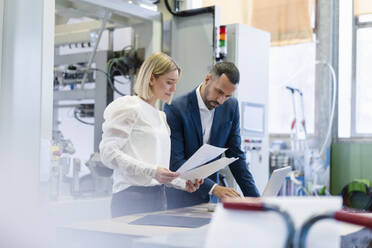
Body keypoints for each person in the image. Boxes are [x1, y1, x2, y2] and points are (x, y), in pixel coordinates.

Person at [100, 52, 202, 218]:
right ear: (152, 79)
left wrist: (182, 184)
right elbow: (108, 154)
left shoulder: (161, 116)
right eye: (169, 82)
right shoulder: (130, 107)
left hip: (158, 197)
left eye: (175, 83)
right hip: (131, 198)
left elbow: (157, 169)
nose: (174, 89)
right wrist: (153, 171)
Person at [164, 61, 260, 209]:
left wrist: (256, 200)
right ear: (208, 79)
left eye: (227, 96)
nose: (221, 100)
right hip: (181, 199)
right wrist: (215, 188)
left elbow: (237, 157)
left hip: (211, 201)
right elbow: (176, 163)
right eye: (219, 92)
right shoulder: (176, 108)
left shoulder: (231, 107)